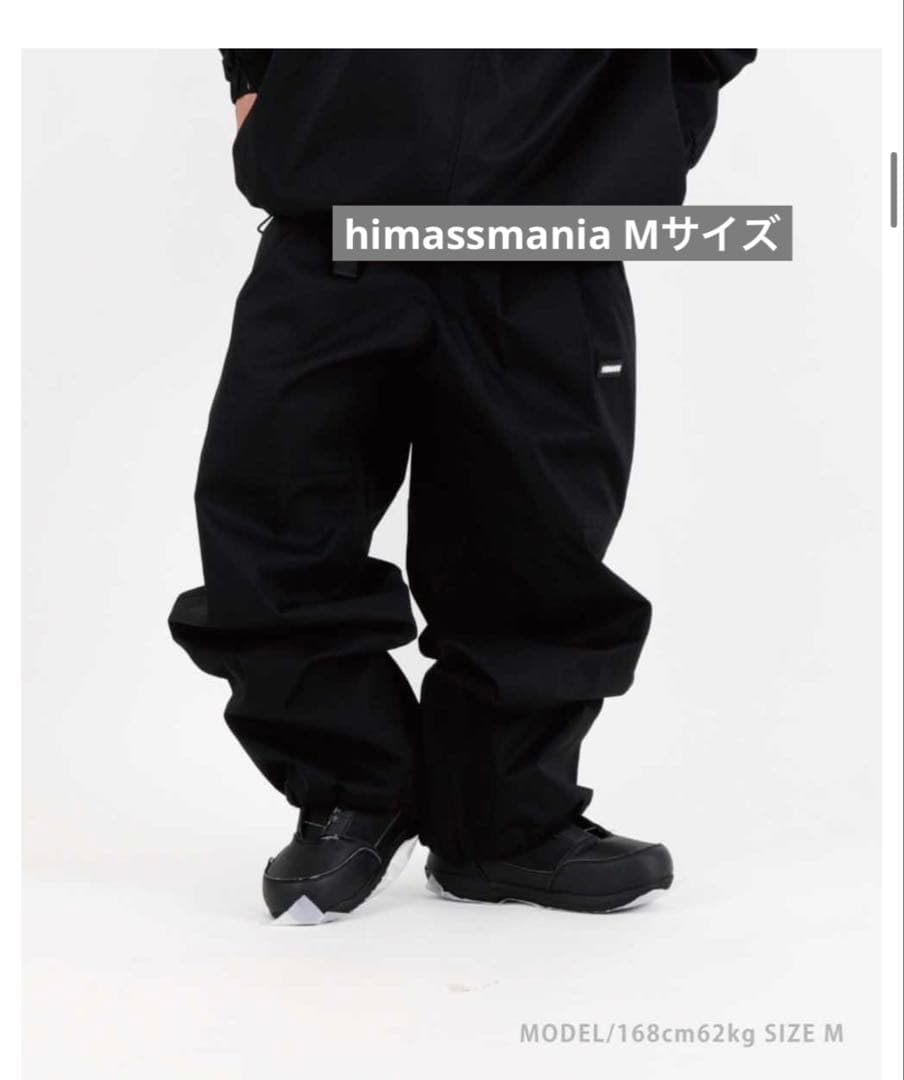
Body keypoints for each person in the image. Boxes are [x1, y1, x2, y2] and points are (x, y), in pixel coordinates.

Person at [169, 48, 756, 923]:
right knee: (271, 521)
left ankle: (502, 824)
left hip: (550, 221)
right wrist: (252, 76)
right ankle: (351, 788)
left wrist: (664, 100)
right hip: (334, 207)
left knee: (535, 545)